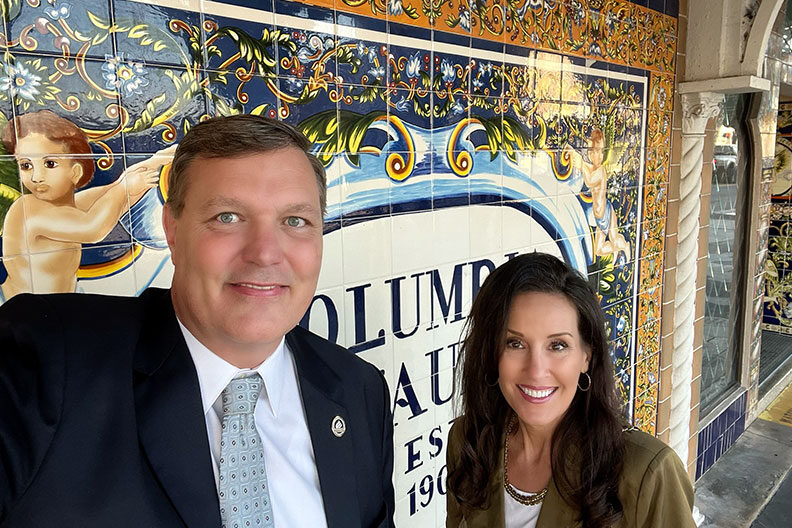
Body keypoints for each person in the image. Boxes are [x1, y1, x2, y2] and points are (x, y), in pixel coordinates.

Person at [0, 115, 395, 527]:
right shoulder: (44, 364)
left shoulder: (358, 391)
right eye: (227, 217)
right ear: (173, 230)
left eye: (295, 221)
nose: (265, 253)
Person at [445, 253, 694, 527]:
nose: (536, 371)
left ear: (586, 356)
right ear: (491, 354)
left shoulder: (647, 473)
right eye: (515, 343)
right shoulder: (468, 442)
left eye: (558, 345)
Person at [0, 110, 175, 300]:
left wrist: (154, 162)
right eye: (26, 165)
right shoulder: (27, 209)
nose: (36, 177)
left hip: (54, 306)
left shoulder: (66, 208)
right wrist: (124, 188)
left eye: (49, 164)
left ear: (75, 172)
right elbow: (93, 228)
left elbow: (115, 192)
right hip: (23, 313)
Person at [564, 128, 630, 264]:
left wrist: (581, 164)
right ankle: (617, 248)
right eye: (595, 152)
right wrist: (573, 153)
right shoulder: (592, 167)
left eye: (601, 152)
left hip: (605, 213)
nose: (599, 156)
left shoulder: (600, 171)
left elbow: (589, 181)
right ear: (590, 153)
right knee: (598, 250)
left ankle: (624, 245)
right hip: (599, 217)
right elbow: (586, 166)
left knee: (615, 238)